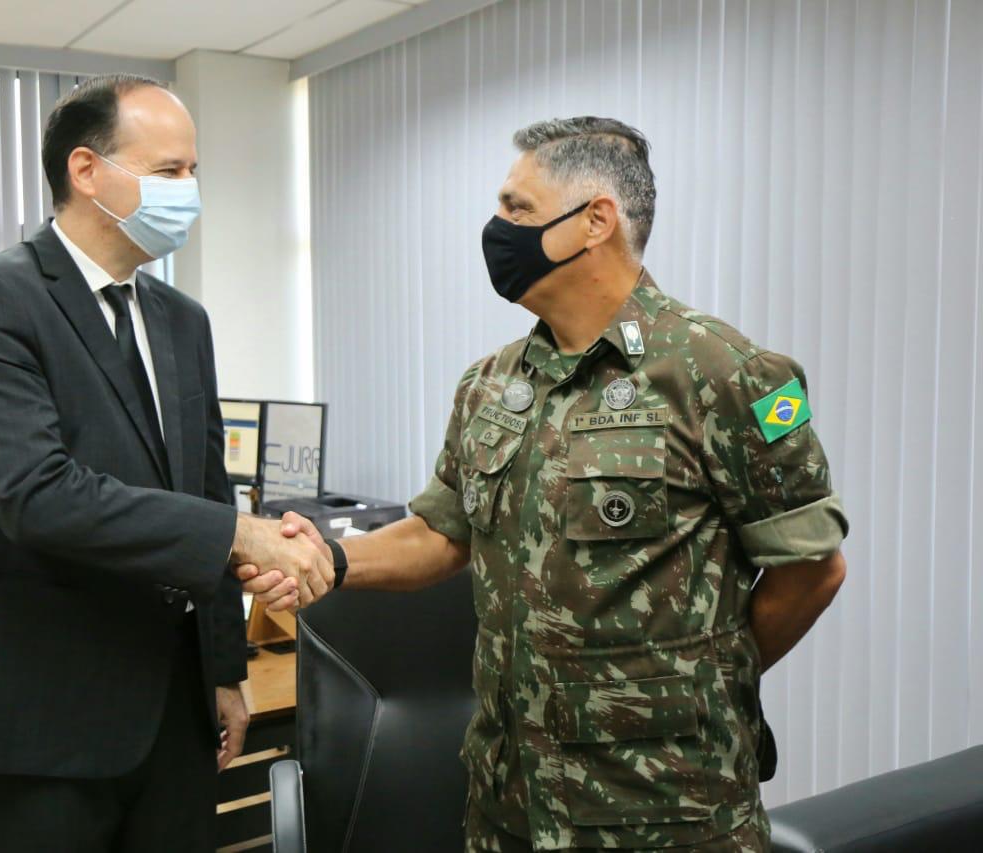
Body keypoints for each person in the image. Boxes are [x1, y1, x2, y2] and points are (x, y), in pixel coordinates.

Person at [243, 117, 847, 852]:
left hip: (663, 805)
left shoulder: (726, 372)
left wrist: (697, 681)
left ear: (595, 221)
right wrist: (333, 560)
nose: (496, 229)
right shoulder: (491, 384)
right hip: (509, 798)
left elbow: (811, 567)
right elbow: (442, 532)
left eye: (516, 209)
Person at [0, 73, 328, 853]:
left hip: (175, 715)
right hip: (45, 716)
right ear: (86, 171)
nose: (189, 191)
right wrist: (243, 537)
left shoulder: (181, 320)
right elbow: (36, 494)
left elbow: (205, 487)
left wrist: (223, 667)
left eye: (193, 172)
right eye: (170, 171)